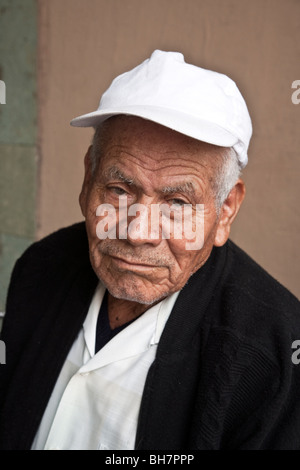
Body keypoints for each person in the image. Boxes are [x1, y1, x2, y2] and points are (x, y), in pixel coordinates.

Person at [0, 50, 300, 450]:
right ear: (88, 177)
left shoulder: (274, 356)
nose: (138, 232)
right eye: (120, 190)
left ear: (225, 211)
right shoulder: (41, 267)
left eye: (177, 203)